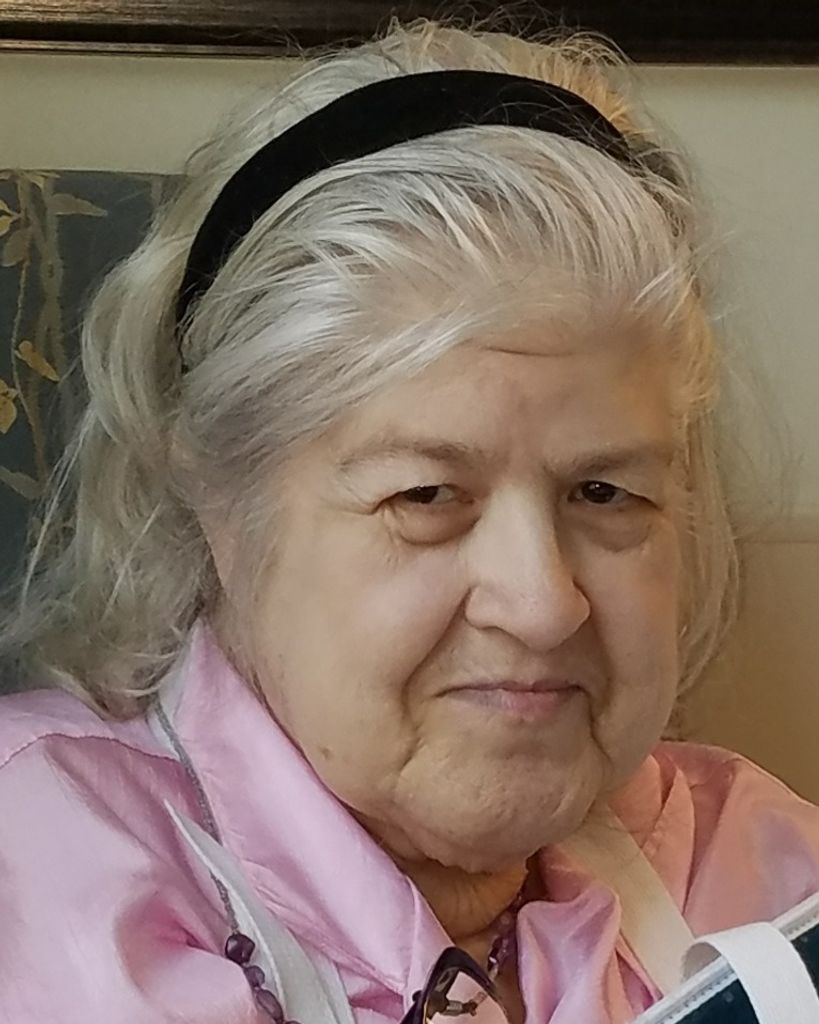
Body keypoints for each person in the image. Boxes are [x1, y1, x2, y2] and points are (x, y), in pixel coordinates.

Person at [0, 16, 817, 1024]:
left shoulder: (753, 865)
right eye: (425, 495)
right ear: (220, 506)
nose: (541, 603)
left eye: (605, 493)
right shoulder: (50, 870)